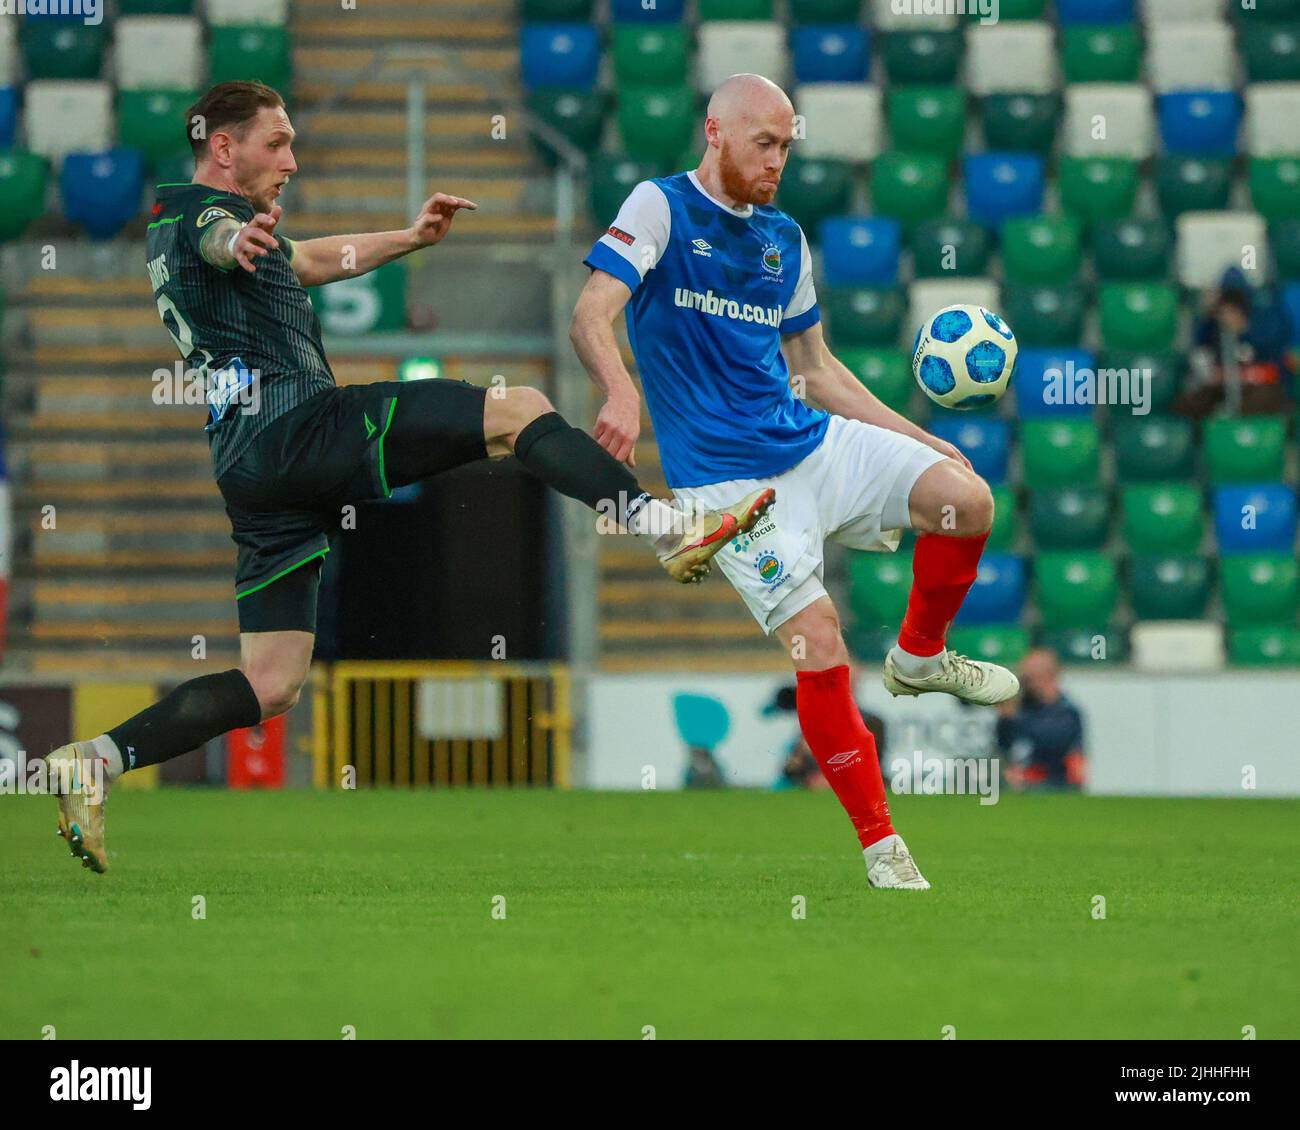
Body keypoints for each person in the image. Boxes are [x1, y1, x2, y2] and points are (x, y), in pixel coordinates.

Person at [42, 81, 773, 875]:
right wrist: (238, 241)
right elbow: (226, 239)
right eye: (275, 143)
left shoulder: (183, 230)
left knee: (273, 680)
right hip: (298, 429)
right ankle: (667, 529)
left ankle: (99, 760)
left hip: (251, 469)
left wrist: (411, 237)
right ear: (224, 147)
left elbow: (310, 258)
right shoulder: (200, 215)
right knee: (515, 407)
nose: (290, 159)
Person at [570, 73, 1019, 890]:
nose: (777, 161)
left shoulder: (784, 238)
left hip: (808, 444)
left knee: (967, 500)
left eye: (787, 146)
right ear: (716, 132)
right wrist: (621, 389)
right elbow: (592, 310)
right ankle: (884, 849)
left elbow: (816, 368)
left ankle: (919, 657)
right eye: (763, 144)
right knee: (819, 639)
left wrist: (926, 440)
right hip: (724, 488)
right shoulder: (659, 207)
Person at [1174, 266, 1295, 419]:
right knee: (1188, 404)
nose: (1231, 310)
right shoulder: (1213, 325)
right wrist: (1206, 316)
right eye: (1227, 302)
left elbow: (1275, 357)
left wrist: (1243, 329)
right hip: (1225, 385)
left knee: (1257, 402)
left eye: (1236, 303)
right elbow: (1199, 348)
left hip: (1263, 386)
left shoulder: (1267, 320)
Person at [995, 649, 1086, 791]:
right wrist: (1005, 720)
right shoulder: (1021, 708)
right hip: (1017, 784)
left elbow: (1052, 744)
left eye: (1030, 678)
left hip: (1054, 784)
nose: (1026, 684)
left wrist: (1013, 718)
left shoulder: (1067, 712)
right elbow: (1003, 746)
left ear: (1050, 675)